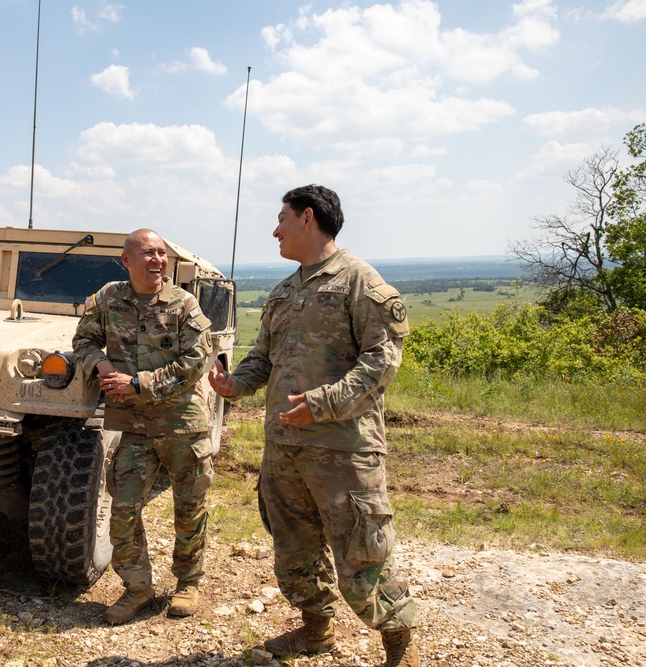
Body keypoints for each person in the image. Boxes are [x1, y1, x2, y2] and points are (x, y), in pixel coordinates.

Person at [208, 185, 420, 667]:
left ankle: (398, 644)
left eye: (281, 218)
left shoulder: (360, 282)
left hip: (343, 449)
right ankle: (315, 630)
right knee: (294, 549)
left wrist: (322, 403)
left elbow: (381, 365)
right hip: (284, 449)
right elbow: (263, 359)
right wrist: (233, 384)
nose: (275, 229)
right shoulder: (284, 291)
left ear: (308, 218)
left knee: (363, 548)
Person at [72, 228, 215, 625]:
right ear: (127, 261)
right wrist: (99, 364)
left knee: (190, 507)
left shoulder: (185, 305)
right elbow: (83, 339)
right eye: (148, 253)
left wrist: (137, 383)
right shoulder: (108, 298)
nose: (157, 260)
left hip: (182, 425)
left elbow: (195, 362)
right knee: (123, 509)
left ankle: (188, 583)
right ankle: (137, 589)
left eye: (161, 254)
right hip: (132, 426)